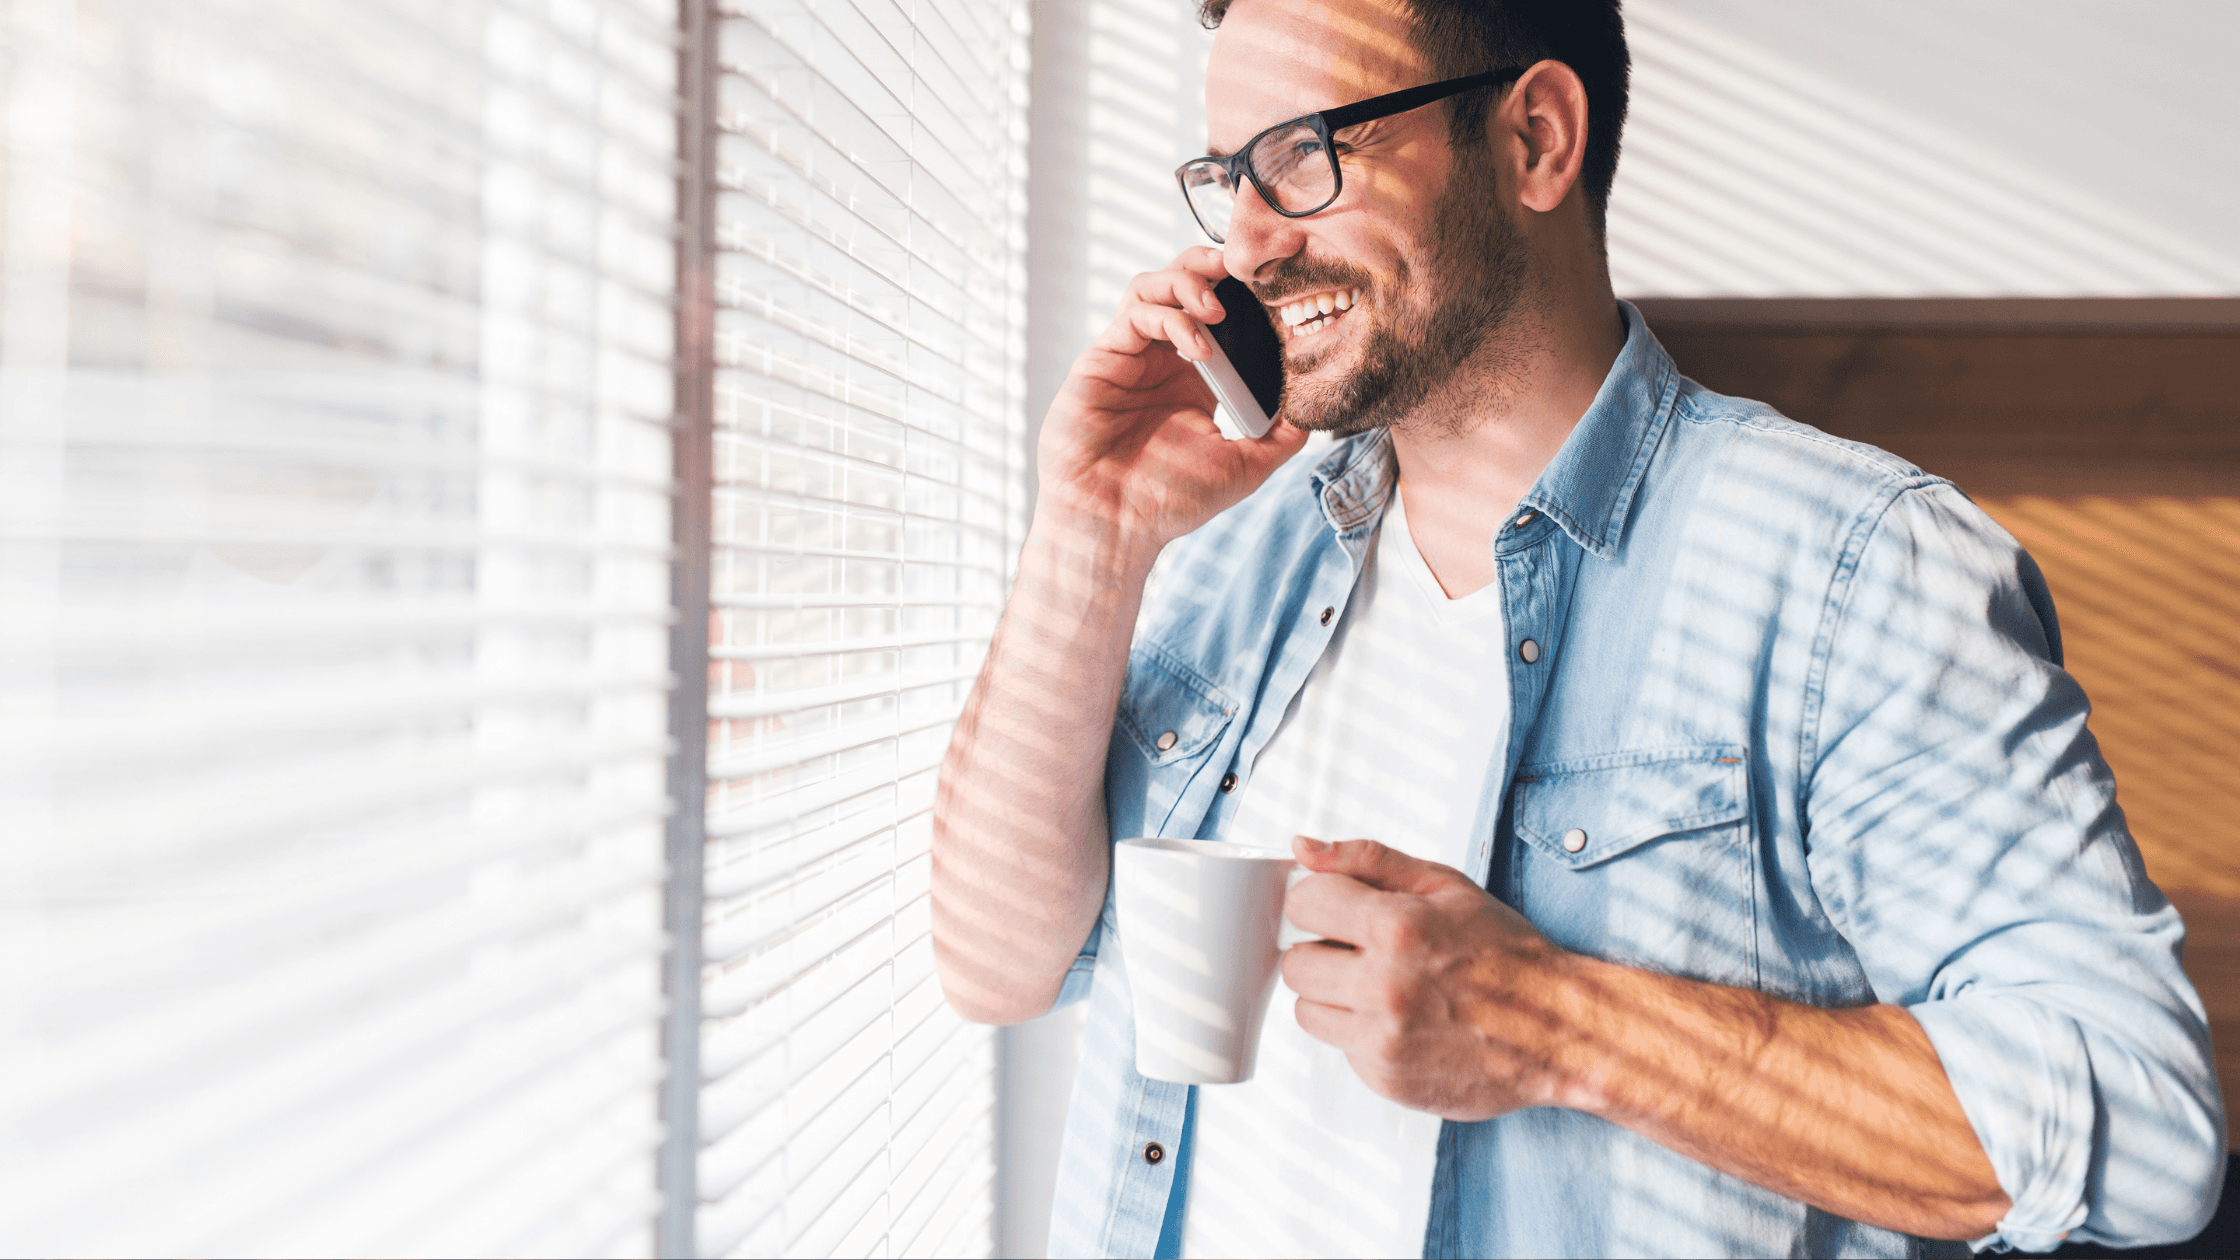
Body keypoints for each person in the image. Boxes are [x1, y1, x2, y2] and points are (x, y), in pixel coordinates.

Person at [929, 0, 2227, 1255]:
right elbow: (998, 968)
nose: (1249, 244)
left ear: (1536, 139)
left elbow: (2146, 1120)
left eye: (1304, 157)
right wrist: (1088, 529)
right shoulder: (1226, 556)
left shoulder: (1851, 570)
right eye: (1227, 175)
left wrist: (1551, 1022)